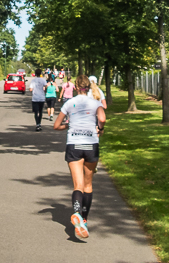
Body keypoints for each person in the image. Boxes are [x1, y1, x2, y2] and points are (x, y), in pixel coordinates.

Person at [54, 75, 106, 240]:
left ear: (76, 87)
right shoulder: (96, 103)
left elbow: (56, 126)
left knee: (78, 185)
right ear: (89, 88)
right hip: (91, 145)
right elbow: (102, 118)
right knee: (88, 185)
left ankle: (76, 212)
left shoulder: (69, 103)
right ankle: (83, 219)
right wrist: (100, 128)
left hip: (74, 145)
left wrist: (68, 125)